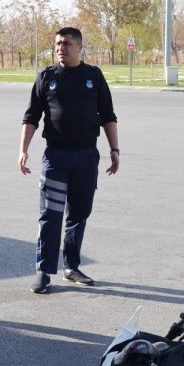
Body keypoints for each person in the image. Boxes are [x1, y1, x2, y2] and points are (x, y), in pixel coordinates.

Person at [18, 27, 119, 294]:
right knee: (50, 215)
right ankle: (44, 271)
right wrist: (23, 150)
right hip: (56, 156)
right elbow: (31, 117)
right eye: (58, 44)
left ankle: (71, 267)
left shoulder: (93, 77)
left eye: (66, 43)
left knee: (78, 214)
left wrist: (115, 150)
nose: (61, 48)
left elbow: (108, 115)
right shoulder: (47, 77)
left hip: (86, 156)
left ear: (80, 47)